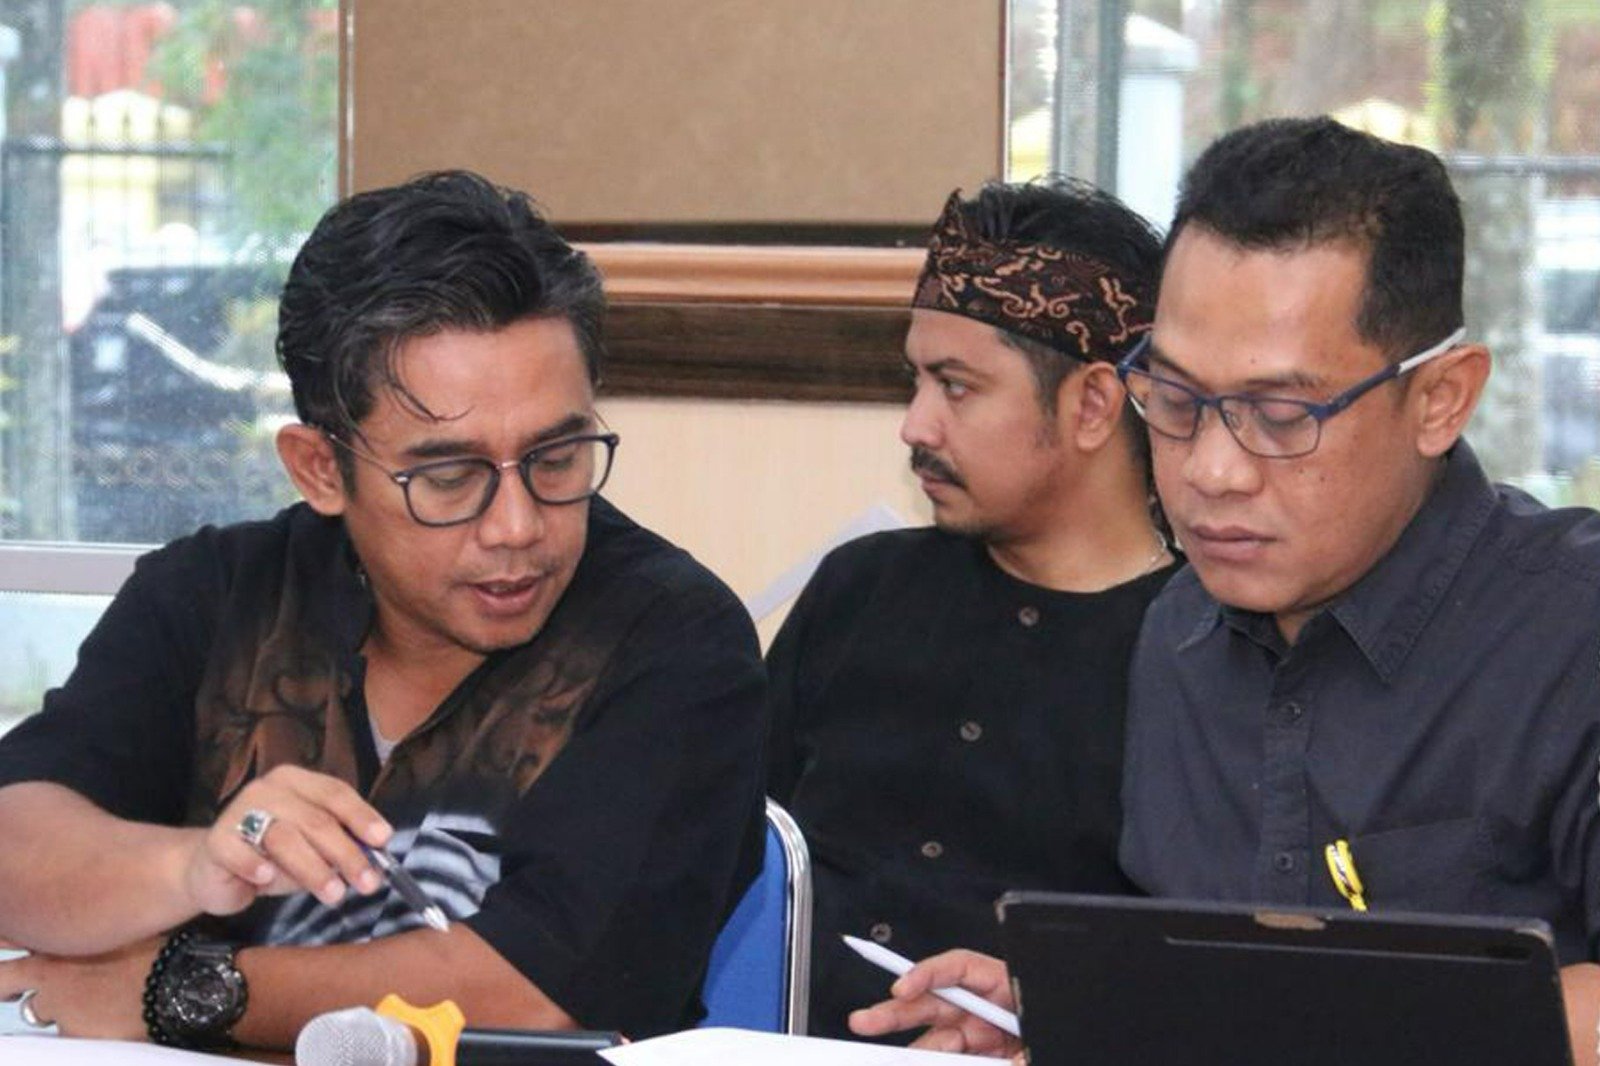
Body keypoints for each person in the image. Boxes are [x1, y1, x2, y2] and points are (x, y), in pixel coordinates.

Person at [850, 117, 1600, 1065]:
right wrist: (1084, 1010)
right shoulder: (1183, 634)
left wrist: (1316, 1024)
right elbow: (1225, 982)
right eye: (1174, 400)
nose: (1211, 471)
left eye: (1280, 416)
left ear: (1440, 399)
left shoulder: (1571, 629)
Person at [0, 171, 767, 1049]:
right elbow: (17, 841)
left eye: (557, 460)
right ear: (320, 469)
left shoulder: (672, 641)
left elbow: (540, 996)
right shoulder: (214, 596)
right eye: (449, 477)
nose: (517, 527)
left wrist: (179, 990)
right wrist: (192, 866)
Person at [765, 179, 1178, 1038]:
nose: (915, 426)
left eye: (956, 387)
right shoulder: (860, 590)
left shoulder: (1203, 653)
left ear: (1092, 405)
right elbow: (733, 848)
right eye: (915, 381)